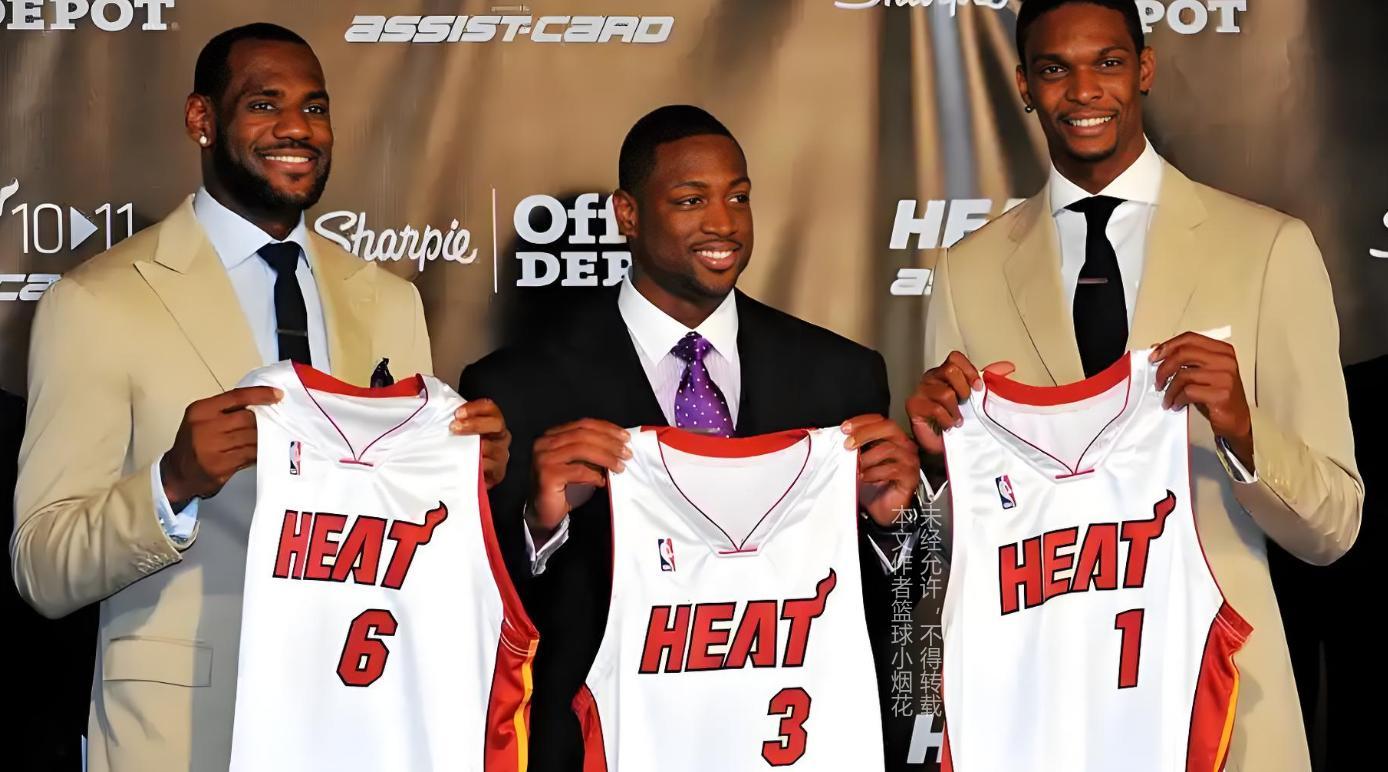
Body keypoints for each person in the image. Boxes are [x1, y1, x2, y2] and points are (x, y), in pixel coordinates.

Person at [11, 24, 509, 771]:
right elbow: (42, 565)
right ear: (201, 119)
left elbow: (411, 541)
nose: (296, 129)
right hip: (189, 736)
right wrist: (171, 485)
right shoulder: (97, 303)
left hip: (365, 720)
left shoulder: (389, 303)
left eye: (315, 108)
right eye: (264, 104)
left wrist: (469, 483)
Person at [906, 2, 1362, 770]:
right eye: (1055, 68)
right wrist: (934, 466)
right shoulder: (966, 274)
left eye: (1108, 63)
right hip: (1045, 719)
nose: (1084, 90)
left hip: (1222, 714)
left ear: (1144, 70)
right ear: (1024, 85)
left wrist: (1243, 430)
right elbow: (966, 543)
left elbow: (1334, 526)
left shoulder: (1266, 249)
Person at [460, 105, 920, 771]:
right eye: (690, 200)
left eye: (739, 197)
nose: (723, 223)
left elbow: (888, 605)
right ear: (627, 215)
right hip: (604, 749)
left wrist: (890, 527)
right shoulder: (517, 385)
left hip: (792, 746)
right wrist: (541, 525)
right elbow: (481, 615)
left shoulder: (839, 376)